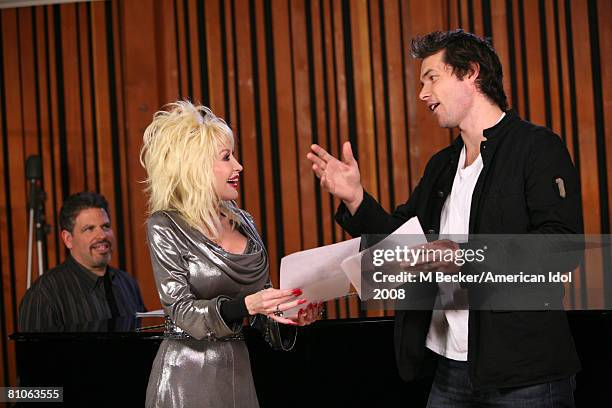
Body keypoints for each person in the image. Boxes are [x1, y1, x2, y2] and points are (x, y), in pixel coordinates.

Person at [308, 29, 581, 407]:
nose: (422, 94)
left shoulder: (537, 148)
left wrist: (465, 256)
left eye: (431, 78)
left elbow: (562, 249)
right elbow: (404, 243)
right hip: (450, 370)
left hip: (525, 374)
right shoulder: (442, 166)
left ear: (470, 73)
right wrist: (356, 198)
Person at [140, 101, 321, 408]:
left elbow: (262, 310)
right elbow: (181, 311)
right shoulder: (165, 225)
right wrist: (246, 306)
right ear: (195, 166)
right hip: (186, 376)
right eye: (227, 157)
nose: (239, 166)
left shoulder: (244, 220)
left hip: (237, 371)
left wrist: (289, 316)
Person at [19, 192, 146, 331]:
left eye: (106, 226)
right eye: (89, 229)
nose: (102, 235)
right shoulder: (43, 296)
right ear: (68, 239)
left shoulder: (128, 284)